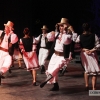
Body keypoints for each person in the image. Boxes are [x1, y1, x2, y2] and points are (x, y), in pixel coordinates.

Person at [40, 18, 74, 91]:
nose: (60, 27)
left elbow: (66, 41)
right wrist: (52, 33)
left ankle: (47, 79)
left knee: (56, 68)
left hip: (62, 57)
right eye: (60, 26)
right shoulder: (57, 34)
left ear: (66, 27)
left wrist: (66, 30)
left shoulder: (68, 35)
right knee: (50, 69)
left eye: (62, 26)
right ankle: (56, 85)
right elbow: (49, 38)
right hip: (55, 55)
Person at [76, 23, 100, 90]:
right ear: (89, 28)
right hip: (92, 54)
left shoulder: (80, 36)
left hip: (84, 54)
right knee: (94, 72)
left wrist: (83, 49)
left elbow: (77, 45)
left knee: (87, 70)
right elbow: (98, 45)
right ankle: (93, 89)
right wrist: (92, 50)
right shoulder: (94, 35)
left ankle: (87, 86)